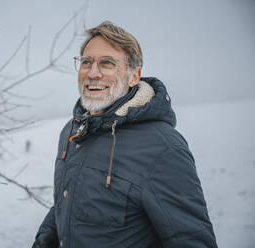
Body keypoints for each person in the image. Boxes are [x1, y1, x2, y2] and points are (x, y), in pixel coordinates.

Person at [32, 21, 218, 248]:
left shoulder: (163, 147)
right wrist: (45, 237)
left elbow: (192, 241)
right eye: (86, 62)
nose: (93, 73)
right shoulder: (72, 131)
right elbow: (69, 198)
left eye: (107, 63)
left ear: (134, 76)